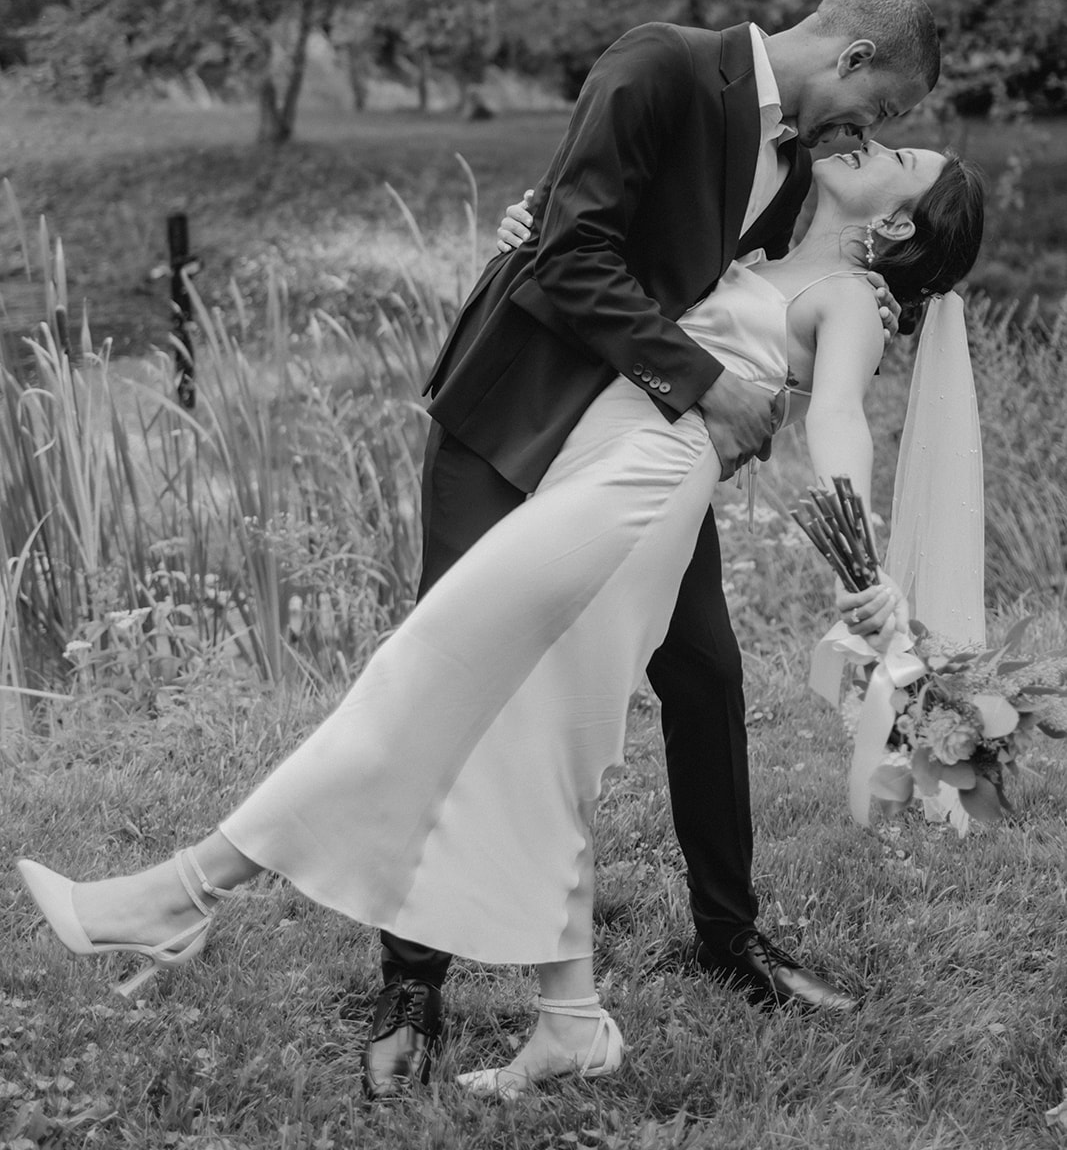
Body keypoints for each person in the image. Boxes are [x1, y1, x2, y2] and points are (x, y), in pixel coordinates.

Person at [18, 149, 983, 1098]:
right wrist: (538, 236)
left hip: (636, 495)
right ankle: (570, 1020)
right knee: (540, 745)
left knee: (423, 668)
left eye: (896, 154)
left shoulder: (852, 298)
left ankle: (181, 894)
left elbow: (841, 418)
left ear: (893, 223)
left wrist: (860, 552)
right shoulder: (769, 246)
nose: (869, 141)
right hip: (592, 467)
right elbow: (623, 277)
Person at [361, 0, 942, 1095]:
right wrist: (707, 386)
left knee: (705, 670)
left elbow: (718, 277)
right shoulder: (660, 62)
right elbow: (571, 251)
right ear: (856, 53)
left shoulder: (791, 165)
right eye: (884, 107)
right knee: (451, 674)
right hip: (515, 415)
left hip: (632, 444)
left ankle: (728, 935)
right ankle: (411, 977)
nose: (869, 133)